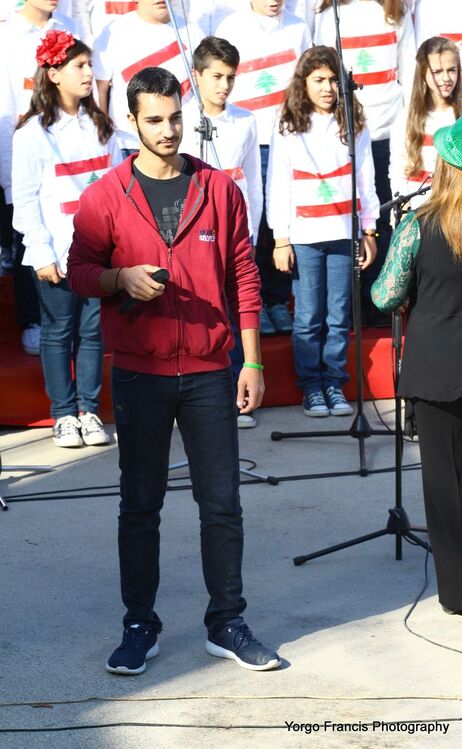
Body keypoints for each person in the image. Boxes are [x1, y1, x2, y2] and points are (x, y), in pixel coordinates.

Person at [66, 66, 281, 674]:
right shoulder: (105, 195)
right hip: (140, 372)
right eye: (154, 120)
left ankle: (227, 622)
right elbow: (78, 270)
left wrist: (253, 359)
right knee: (140, 505)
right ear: (130, 123)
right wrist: (119, 279)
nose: (167, 130)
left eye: (175, 118)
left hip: (213, 370)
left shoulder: (219, 189)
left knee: (222, 505)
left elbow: (244, 274)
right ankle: (140, 624)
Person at [372, 107, 462, 620]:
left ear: (448, 168)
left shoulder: (418, 226)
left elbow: (383, 296)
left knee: (448, 486)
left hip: (438, 374)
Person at [12, 31, 119, 447]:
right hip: (56, 251)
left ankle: (88, 411)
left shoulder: (99, 124)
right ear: (54, 73)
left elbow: (114, 189)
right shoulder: (32, 134)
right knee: (58, 332)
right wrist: (39, 250)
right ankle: (63, 413)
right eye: (80, 66)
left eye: (91, 65)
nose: (90, 74)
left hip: (98, 253)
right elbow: (24, 200)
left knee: (93, 333)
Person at [267, 46, 379, 418]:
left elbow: (365, 179)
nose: (328, 87)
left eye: (333, 79)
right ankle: (311, 386)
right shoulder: (287, 125)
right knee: (309, 315)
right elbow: (278, 184)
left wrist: (369, 229)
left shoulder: (353, 122)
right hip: (305, 235)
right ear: (304, 83)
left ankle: (334, 383)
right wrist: (280, 237)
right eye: (319, 80)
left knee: (338, 314)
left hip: (343, 232)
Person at [314, 0, 416, 327]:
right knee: (350, 222)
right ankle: (354, 304)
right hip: (347, 135)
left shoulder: (394, 10)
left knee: (384, 221)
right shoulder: (330, 15)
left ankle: (384, 303)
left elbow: (410, 73)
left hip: (387, 133)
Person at [216, 0, 312, 336]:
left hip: (288, 138)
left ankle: (275, 299)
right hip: (247, 141)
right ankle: (247, 302)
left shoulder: (299, 27)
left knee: (279, 224)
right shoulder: (232, 27)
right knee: (248, 223)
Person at [182, 35, 263, 429]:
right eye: (216, 76)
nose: (224, 85)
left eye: (230, 77)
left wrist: (253, 230)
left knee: (234, 314)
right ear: (196, 75)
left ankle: (237, 396)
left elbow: (253, 182)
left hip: (234, 231)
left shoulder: (246, 120)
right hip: (193, 237)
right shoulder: (180, 120)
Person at [0, 0, 82, 356]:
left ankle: (77, 319)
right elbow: (4, 111)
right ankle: (33, 320)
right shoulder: (7, 35)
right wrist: (8, 177)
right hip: (24, 153)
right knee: (27, 241)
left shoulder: (68, 25)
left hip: (68, 154)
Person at [92, 0, 201, 155]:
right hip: (129, 144)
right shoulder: (114, 32)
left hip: (180, 143)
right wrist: (103, 133)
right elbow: (99, 89)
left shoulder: (192, 32)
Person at [390, 36, 462, 209]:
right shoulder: (406, 118)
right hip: (418, 207)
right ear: (423, 73)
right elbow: (398, 169)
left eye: (451, 70)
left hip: (457, 209)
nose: (446, 78)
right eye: (437, 72)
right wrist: (403, 207)